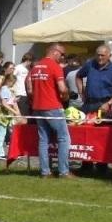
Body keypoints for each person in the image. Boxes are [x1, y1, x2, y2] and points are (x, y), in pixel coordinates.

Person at [26, 43, 71, 178]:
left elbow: (29, 89)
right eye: (62, 54)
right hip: (53, 106)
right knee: (64, 138)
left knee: (43, 140)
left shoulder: (35, 67)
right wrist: (66, 96)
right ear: (55, 52)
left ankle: (45, 172)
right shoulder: (55, 67)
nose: (62, 57)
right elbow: (62, 88)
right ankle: (63, 171)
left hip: (37, 107)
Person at [76, 43, 112, 115]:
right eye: (98, 55)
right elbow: (78, 76)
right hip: (89, 104)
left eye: (102, 55)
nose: (99, 57)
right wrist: (81, 93)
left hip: (105, 105)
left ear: (109, 56)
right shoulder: (90, 64)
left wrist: (109, 103)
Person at [0, 61, 20, 159]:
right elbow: (4, 103)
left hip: (5, 114)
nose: (13, 84)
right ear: (9, 81)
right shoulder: (4, 89)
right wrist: (14, 111)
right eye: (13, 83)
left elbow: (7, 101)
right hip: (2, 114)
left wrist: (13, 100)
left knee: (2, 133)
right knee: (1, 134)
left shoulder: (6, 89)